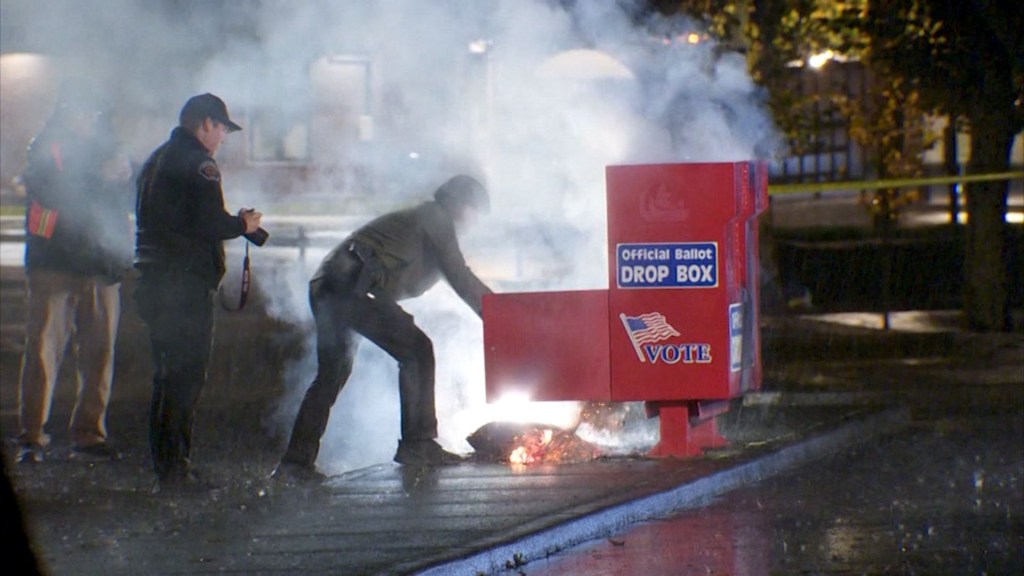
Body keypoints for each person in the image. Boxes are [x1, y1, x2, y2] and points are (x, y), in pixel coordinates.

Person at [275, 175, 493, 477]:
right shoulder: (436, 216)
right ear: (458, 202)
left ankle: (295, 463)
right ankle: (417, 444)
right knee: (416, 350)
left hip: (329, 286)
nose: (473, 220)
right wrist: (498, 315)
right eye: (474, 210)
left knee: (332, 375)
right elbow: (460, 275)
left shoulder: (422, 221)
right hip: (350, 287)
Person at [134, 93, 262, 492]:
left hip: (154, 282)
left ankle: (167, 469)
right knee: (186, 379)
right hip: (184, 288)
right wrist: (243, 225)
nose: (223, 137)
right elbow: (207, 222)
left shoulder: (156, 159)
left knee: (166, 377)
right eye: (221, 128)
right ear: (205, 124)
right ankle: (177, 472)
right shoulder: (201, 164)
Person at [15, 87, 133, 464]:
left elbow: (119, 203)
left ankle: (89, 433)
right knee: (42, 353)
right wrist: (102, 180)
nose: (86, 118)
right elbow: (54, 193)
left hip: (99, 266)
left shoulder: (110, 150)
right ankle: (32, 436)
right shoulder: (47, 147)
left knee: (99, 354)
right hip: (55, 266)